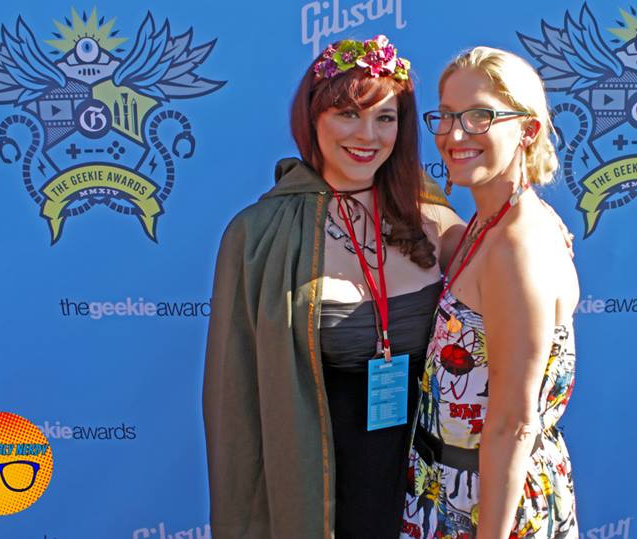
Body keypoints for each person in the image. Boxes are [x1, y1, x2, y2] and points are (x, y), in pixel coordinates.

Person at [203, 35, 464, 539]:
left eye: (385, 117)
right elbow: (233, 398)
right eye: (347, 113)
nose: (368, 134)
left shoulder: (431, 214)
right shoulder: (259, 235)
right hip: (322, 494)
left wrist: (530, 229)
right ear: (312, 119)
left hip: (429, 484)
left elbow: (499, 270)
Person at [401, 47, 579, 539]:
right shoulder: (490, 222)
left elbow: (512, 427)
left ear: (528, 130)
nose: (455, 134)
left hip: (487, 507)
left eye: (481, 116)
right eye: (447, 116)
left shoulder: (518, 248)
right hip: (450, 486)